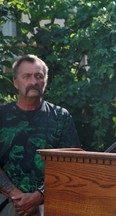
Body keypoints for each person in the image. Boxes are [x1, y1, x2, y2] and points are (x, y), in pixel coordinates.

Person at [0, 54, 81, 216]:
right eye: (26, 76)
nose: (33, 82)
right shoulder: (2, 115)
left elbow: (73, 164)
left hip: (51, 200)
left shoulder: (60, 117)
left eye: (39, 76)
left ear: (45, 81)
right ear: (15, 82)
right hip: (7, 200)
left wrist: (39, 195)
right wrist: (15, 194)